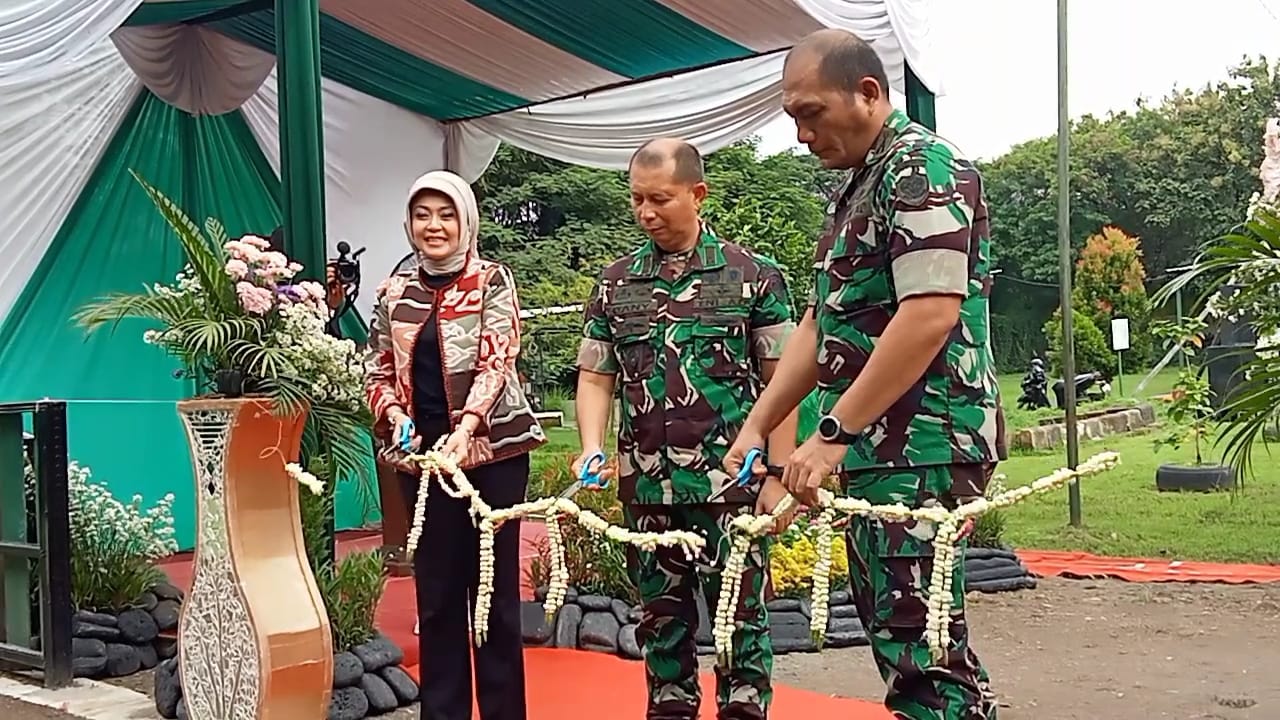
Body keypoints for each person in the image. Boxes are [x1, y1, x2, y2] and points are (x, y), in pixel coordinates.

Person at [724, 29, 1004, 720]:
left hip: (928, 441)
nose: (801, 135)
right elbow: (820, 327)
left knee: (923, 656)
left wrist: (834, 430)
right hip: (886, 448)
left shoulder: (922, 168)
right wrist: (760, 425)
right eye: (792, 119)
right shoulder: (857, 188)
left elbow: (931, 313)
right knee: (907, 646)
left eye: (811, 113)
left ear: (869, 93)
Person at [573, 138, 799, 720]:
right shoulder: (615, 282)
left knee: (740, 627)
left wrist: (778, 474)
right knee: (661, 628)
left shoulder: (754, 276)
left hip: (732, 489)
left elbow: (784, 382)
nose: (646, 212)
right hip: (649, 489)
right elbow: (596, 375)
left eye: (660, 199)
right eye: (636, 200)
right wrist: (592, 447)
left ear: (698, 195)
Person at [363, 169, 545, 720]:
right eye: (423, 215)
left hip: (491, 458)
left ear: (466, 220)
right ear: (409, 224)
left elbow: (497, 360)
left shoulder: (492, 279)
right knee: (437, 597)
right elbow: (375, 369)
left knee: (491, 593)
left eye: (446, 215)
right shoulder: (394, 291)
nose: (434, 226)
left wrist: (466, 430)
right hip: (421, 464)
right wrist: (391, 412)